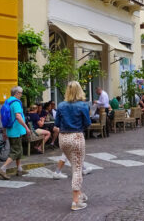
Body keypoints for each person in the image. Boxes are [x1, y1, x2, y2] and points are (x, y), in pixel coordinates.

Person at [53, 81, 92, 211]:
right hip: (76, 137)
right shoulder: (83, 105)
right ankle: (76, 201)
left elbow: (57, 123)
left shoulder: (61, 105)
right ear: (80, 91)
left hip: (63, 138)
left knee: (75, 165)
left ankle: (79, 194)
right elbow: (87, 123)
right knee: (77, 168)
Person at [0, 86, 32, 179]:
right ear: (17, 93)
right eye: (21, 93)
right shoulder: (16, 103)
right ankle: (3, 168)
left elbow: (3, 117)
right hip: (16, 131)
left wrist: (4, 132)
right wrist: (26, 128)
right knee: (15, 151)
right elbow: (18, 116)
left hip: (11, 131)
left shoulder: (8, 101)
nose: (21, 95)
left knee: (19, 150)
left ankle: (19, 169)